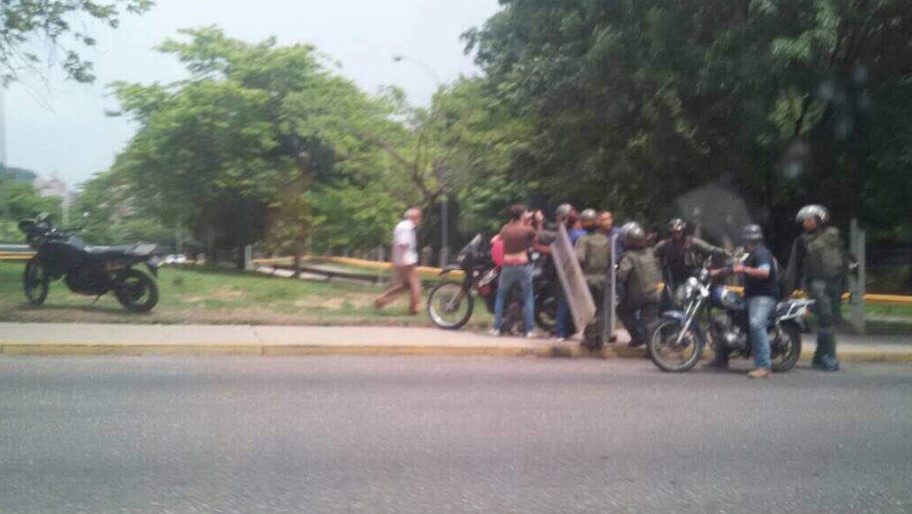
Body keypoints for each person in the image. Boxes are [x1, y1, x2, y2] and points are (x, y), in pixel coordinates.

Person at [784, 205, 849, 372]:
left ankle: (819, 357)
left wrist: (845, 285)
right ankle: (829, 358)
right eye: (804, 220)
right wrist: (788, 290)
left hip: (834, 282)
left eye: (809, 219)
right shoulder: (802, 240)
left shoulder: (834, 235)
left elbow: (843, 258)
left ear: (820, 219)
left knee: (830, 321)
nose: (806, 223)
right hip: (816, 284)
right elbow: (794, 266)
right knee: (826, 320)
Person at [711, 224, 779, 379]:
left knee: (756, 323)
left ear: (750, 239)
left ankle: (764, 367)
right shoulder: (750, 255)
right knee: (726, 319)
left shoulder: (762, 253)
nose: (744, 242)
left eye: (746, 239)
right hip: (751, 296)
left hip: (764, 297)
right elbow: (736, 268)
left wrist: (745, 270)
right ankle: (721, 358)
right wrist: (717, 272)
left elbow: (764, 272)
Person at [489, 204, 543, 338]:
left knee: (501, 296)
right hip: (523, 265)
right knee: (528, 297)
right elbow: (538, 238)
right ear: (521, 215)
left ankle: (496, 328)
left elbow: (498, 239)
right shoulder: (527, 230)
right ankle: (530, 330)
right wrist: (539, 221)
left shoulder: (505, 229)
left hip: (507, 265)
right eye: (525, 213)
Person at [616, 223, 662, 347]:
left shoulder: (628, 257)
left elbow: (621, 276)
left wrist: (614, 272)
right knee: (650, 320)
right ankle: (654, 347)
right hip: (656, 292)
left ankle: (637, 337)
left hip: (639, 295)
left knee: (621, 309)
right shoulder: (651, 253)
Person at [653, 218, 727, 292]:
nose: (676, 234)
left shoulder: (692, 241)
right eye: (674, 232)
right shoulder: (665, 244)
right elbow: (652, 253)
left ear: (683, 230)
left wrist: (723, 252)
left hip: (693, 277)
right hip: (674, 280)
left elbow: (709, 248)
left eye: (679, 231)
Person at [575, 209, 613, 348]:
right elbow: (611, 260)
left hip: (588, 277)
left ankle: (590, 338)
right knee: (600, 309)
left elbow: (579, 258)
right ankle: (600, 337)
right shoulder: (605, 239)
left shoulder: (583, 239)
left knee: (589, 310)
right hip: (602, 278)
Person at [375, 207, 422, 315]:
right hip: (407, 260)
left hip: (402, 260)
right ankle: (414, 309)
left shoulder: (403, 226)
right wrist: (405, 259)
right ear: (414, 217)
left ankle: (381, 299)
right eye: (419, 217)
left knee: (406, 285)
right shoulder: (406, 227)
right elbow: (403, 244)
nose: (419, 220)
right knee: (416, 284)